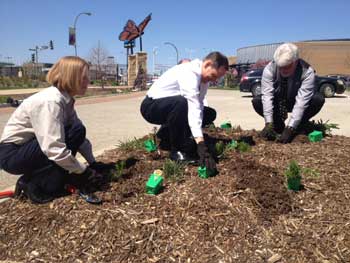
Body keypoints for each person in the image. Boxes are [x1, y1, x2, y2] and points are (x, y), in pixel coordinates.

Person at [0, 56, 108, 203]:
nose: (88, 82)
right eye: (84, 77)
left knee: (77, 130)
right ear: (72, 77)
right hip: (12, 155)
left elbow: (80, 138)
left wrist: (92, 163)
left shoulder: (65, 100)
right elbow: (53, 148)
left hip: (27, 149)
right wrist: (84, 171)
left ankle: (48, 181)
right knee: (73, 132)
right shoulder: (51, 101)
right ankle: (33, 184)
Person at [140, 52, 228, 171]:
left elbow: (199, 105)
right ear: (207, 64)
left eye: (216, 78)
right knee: (182, 103)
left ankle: (166, 134)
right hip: (151, 107)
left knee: (208, 113)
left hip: (170, 107)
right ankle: (177, 151)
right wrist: (201, 145)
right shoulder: (189, 72)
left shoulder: (204, 80)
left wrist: (198, 139)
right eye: (213, 75)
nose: (213, 80)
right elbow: (193, 105)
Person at [252, 43, 325, 143]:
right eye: (280, 67)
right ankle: (278, 126)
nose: (283, 70)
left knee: (318, 99)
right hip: (277, 102)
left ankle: (298, 127)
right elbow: (267, 96)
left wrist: (291, 128)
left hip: (296, 101)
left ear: (296, 61)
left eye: (287, 66)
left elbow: (301, 102)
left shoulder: (307, 72)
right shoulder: (269, 69)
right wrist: (268, 123)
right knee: (257, 101)